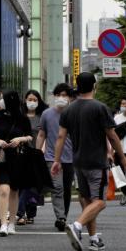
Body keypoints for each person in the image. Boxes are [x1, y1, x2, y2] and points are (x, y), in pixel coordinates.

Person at [53, 73, 126, 251]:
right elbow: (111, 135)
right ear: (94, 86)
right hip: (97, 162)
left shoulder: (69, 110)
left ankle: (94, 239)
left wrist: (57, 160)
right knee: (100, 202)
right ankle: (77, 225)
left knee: (88, 201)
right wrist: (122, 156)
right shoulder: (100, 108)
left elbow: (61, 136)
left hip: (78, 161)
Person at [0, 90, 33, 236]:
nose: (1, 101)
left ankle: (12, 222)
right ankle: (3, 223)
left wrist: (20, 139)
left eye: (3, 99)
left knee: (14, 191)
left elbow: (29, 137)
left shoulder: (22, 118)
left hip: (18, 157)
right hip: (1, 157)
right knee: (3, 190)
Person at [36, 84, 75, 231]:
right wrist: (37, 153)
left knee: (66, 189)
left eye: (64, 95)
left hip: (70, 158)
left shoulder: (74, 113)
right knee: (57, 188)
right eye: (59, 95)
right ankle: (61, 218)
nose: (61, 98)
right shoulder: (46, 114)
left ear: (70, 97)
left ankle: (63, 214)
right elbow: (41, 135)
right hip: (51, 158)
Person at [16, 90, 48, 224]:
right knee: (23, 185)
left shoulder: (42, 117)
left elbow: (45, 135)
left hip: (36, 153)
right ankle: (20, 213)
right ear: (25, 100)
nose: (32, 102)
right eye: (29, 99)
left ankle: (29, 213)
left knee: (32, 185)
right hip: (21, 154)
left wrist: (42, 151)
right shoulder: (20, 117)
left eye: (35, 99)